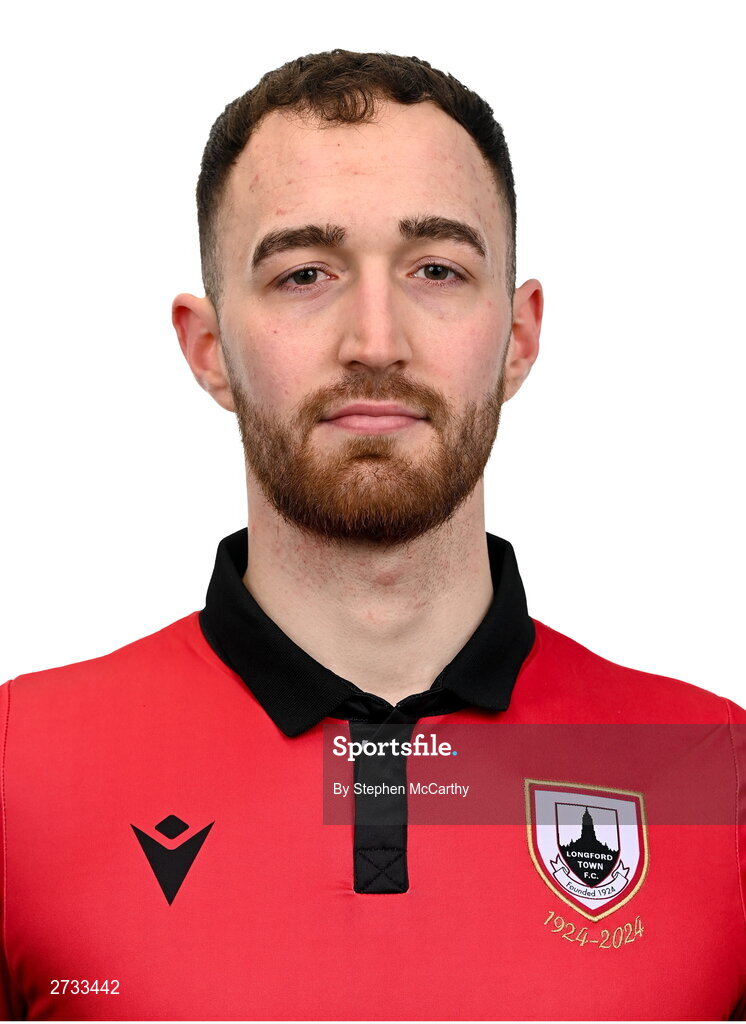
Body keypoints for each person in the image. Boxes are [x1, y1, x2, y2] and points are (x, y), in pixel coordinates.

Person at [1, 49, 744, 1022]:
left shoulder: (713, 774)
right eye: (304, 272)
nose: (375, 338)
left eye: (436, 268)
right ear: (207, 347)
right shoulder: (21, 766)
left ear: (517, 336)